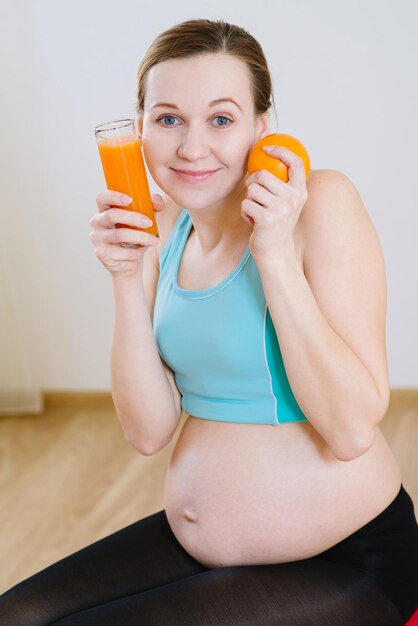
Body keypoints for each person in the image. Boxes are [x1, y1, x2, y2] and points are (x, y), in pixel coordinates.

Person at [1, 17, 417, 626]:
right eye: (169, 119)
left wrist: (274, 255)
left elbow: (352, 431)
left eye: (221, 119)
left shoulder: (322, 204)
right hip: (201, 548)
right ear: (140, 129)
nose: (192, 147)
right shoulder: (164, 228)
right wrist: (125, 276)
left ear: (261, 129)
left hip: (347, 560)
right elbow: (148, 432)